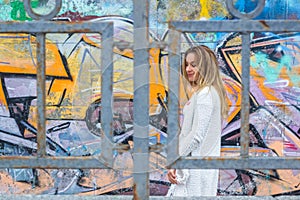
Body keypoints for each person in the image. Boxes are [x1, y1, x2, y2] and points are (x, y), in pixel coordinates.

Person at [166, 45, 228, 197]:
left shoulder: (205, 95)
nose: (188, 69)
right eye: (186, 64)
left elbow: (196, 136)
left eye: (194, 65)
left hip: (195, 173)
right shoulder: (205, 93)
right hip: (197, 169)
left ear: (206, 67)